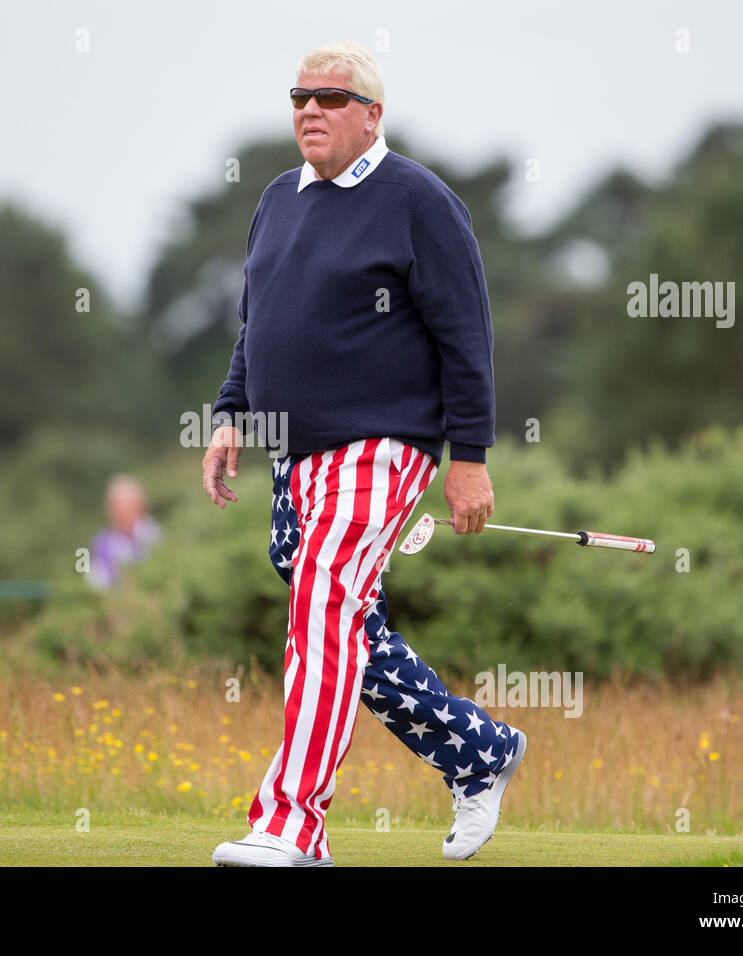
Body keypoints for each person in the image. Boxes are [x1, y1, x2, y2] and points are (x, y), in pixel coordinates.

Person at [203, 41, 526, 866]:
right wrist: (231, 411)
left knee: (320, 612)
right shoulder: (277, 198)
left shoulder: (419, 200)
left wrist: (470, 457)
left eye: (332, 98)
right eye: (300, 96)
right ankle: (477, 751)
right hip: (293, 451)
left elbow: (467, 336)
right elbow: (257, 318)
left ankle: (291, 826)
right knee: (345, 627)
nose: (310, 109)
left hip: (383, 447)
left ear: (373, 115)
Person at [87, 474, 161, 590]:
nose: (125, 517)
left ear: (142, 508)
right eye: (119, 511)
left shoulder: (154, 535)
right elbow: (96, 582)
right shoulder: (102, 542)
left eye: (130, 510)